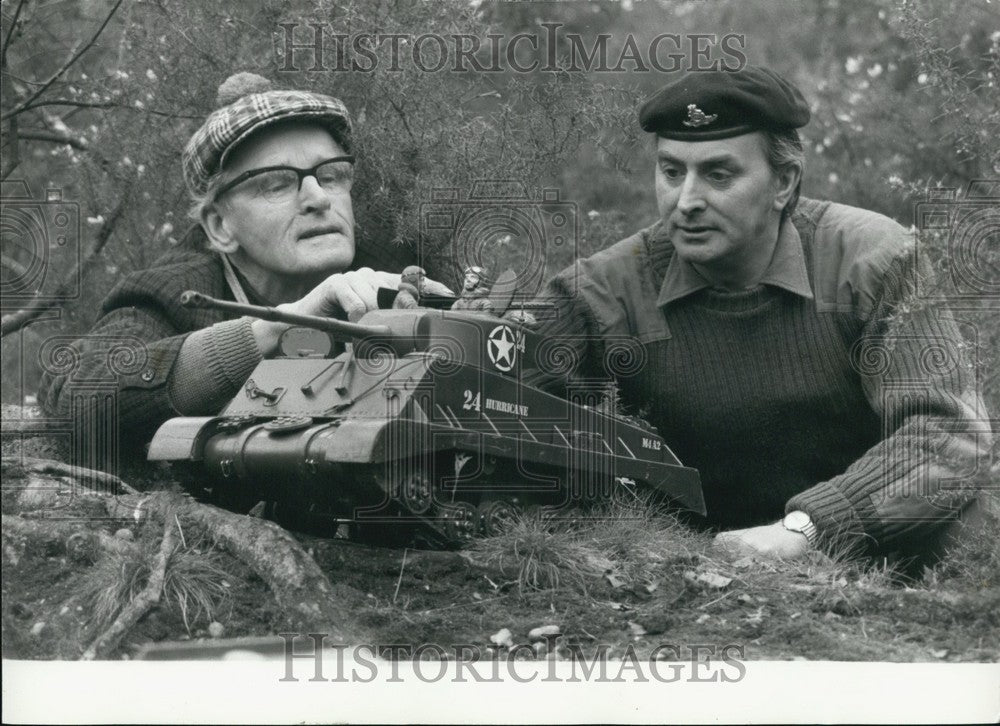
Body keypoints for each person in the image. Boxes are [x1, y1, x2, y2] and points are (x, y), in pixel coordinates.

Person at [532, 66, 991, 563]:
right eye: (671, 171)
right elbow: (500, 377)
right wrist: (449, 322)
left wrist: (806, 530)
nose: (686, 201)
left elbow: (948, 435)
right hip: (701, 567)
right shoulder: (606, 291)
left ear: (783, 182)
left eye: (718, 174)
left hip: (874, 551)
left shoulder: (870, 261)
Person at [39, 72, 449, 452]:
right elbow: (75, 395)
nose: (319, 198)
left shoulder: (399, 272)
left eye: (331, 175)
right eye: (276, 183)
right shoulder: (173, 292)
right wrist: (278, 326)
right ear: (220, 226)